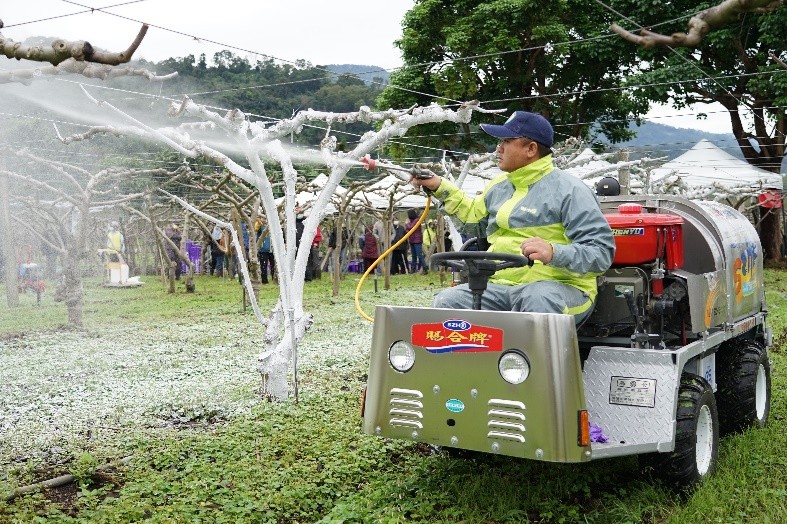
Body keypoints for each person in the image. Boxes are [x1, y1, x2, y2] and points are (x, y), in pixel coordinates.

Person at [411, 111, 615, 324]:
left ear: (531, 149)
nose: (498, 148)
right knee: (448, 302)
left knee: (537, 299)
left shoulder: (571, 191)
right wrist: (439, 186)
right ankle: (467, 357)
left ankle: (532, 358)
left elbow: (601, 253)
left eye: (507, 141)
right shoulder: (498, 186)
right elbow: (472, 219)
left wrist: (554, 252)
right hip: (501, 286)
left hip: (562, 288)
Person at [405, 209, 428, 274]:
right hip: (412, 240)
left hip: (417, 240)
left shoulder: (417, 220)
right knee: (414, 256)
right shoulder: (412, 221)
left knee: (419, 255)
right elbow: (408, 229)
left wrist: (406, 224)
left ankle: (425, 268)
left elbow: (411, 227)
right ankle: (413, 269)